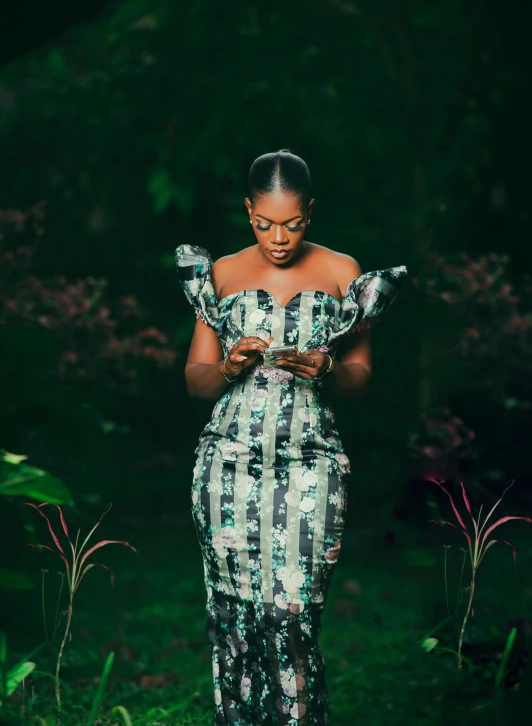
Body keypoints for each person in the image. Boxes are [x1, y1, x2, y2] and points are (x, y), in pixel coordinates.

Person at [175, 149, 407, 725]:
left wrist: (325, 368)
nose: (279, 238)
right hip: (225, 463)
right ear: (248, 210)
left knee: (293, 614)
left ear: (311, 213)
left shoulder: (341, 272)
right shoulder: (221, 275)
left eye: (294, 223)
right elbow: (196, 381)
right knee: (233, 617)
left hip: (311, 462)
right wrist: (230, 366)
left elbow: (360, 381)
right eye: (265, 223)